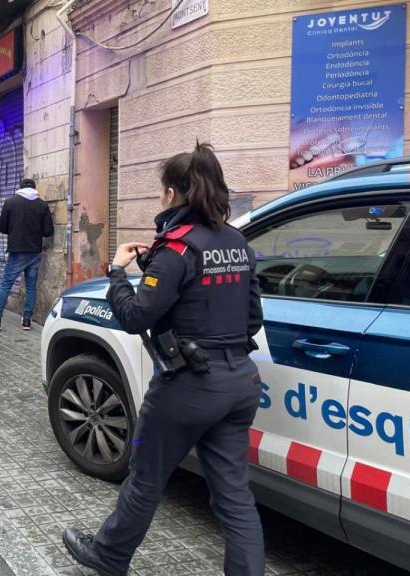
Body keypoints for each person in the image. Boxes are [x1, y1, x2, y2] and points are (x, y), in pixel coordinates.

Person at [62, 143, 265, 576]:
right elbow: (252, 320)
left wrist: (118, 272)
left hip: (189, 387)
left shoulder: (176, 249)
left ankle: (109, 556)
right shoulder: (239, 243)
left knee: (146, 477)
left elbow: (136, 317)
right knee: (234, 496)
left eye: (161, 190)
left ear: (173, 194)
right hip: (240, 384)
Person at [0, 178, 53, 332]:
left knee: (5, 284)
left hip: (16, 251)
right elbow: (48, 231)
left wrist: (15, 230)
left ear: (20, 188)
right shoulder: (42, 205)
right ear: (35, 188)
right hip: (35, 252)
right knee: (31, 287)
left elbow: (2, 227)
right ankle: (27, 321)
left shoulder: (10, 202)